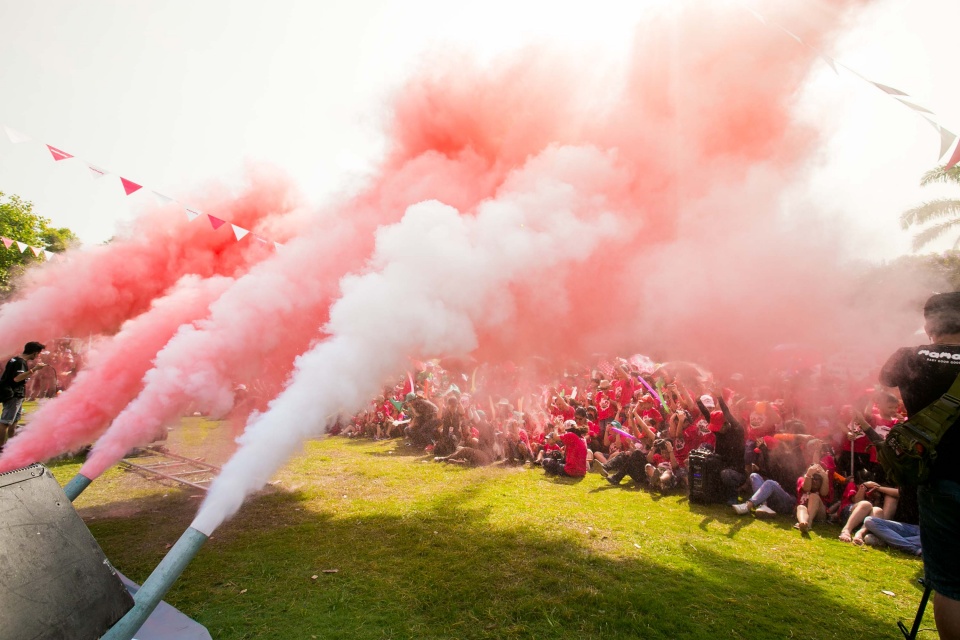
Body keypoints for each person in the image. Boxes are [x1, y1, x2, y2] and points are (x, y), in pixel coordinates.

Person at [879, 292, 960, 639]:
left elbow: (885, 380)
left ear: (929, 324)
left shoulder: (908, 357)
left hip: (938, 480)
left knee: (949, 584)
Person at [0, 341, 46, 452]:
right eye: (39, 353)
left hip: (16, 394)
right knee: (5, 422)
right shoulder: (20, 362)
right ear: (34, 353)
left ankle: (10, 446)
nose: (38, 356)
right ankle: (1, 448)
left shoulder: (15, 359)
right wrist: (35, 369)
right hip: (13, 395)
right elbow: (17, 378)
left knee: (14, 422)